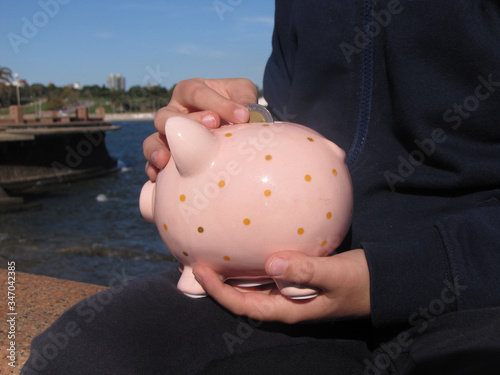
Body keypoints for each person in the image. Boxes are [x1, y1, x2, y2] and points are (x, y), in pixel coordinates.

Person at [22, 1, 500, 374]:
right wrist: (246, 118)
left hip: (475, 288)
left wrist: (396, 277)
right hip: (290, 280)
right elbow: (300, 124)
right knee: (81, 356)